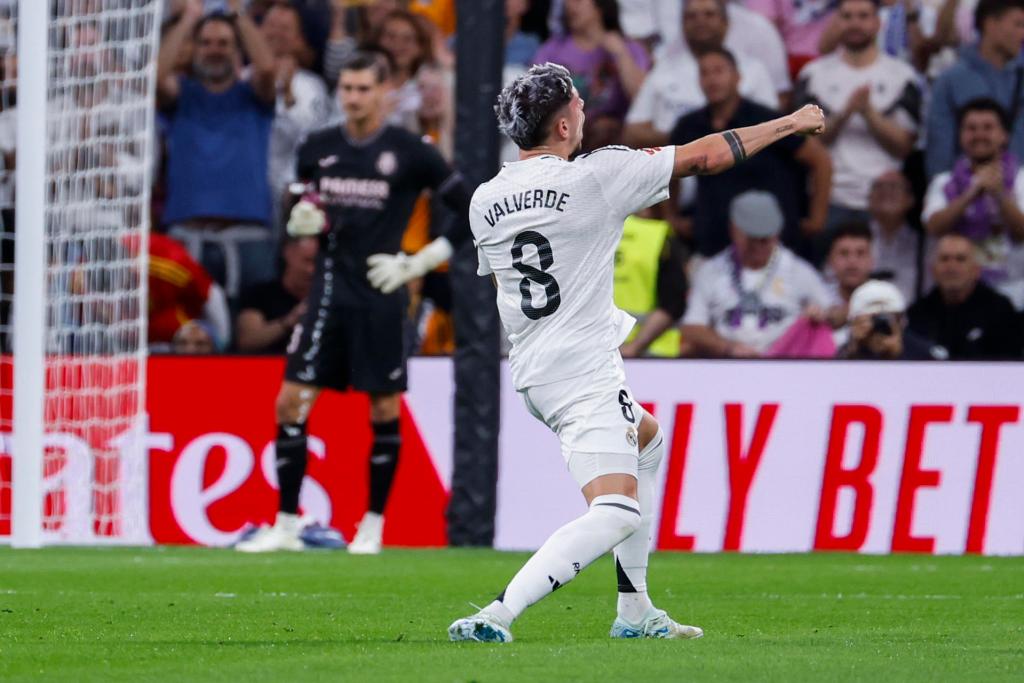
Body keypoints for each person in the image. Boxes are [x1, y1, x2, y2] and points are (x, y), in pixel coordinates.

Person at [448, 62, 825, 642]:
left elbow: (503, 286)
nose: (585, 110)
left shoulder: (485, 199)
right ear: (566, 127)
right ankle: (496, 613)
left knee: (648, 442)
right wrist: (790, 123)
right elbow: (703, 157)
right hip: (582, 372)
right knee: (616, 510)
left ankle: (635, 610)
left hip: (535, 368)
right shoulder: (599, 175)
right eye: (578, 103)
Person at [235, 52, 472, 555]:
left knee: (383, 407)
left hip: (384, 293)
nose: (354, 98)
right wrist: (299, 219)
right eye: (346, 89)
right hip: (327, 290)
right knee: (290, 403)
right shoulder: (317, 147)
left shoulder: (411, 152)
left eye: (364, 89)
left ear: (384, 92)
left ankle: (372, 524)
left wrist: (418, 263)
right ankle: (285, 522)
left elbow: (469, 210)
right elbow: (300, 204)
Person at [157, 0, 278, 302]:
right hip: (187, 234)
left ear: (238, 51)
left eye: (224, 43)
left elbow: (266, 68)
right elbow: (156, 77)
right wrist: (188, 19)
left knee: (247, 333)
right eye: (206, 43)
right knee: (187, 336)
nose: (214, 50)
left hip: (248, 236)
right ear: (194, 49)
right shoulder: (182, 95)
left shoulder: (255, 96)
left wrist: (237, 13)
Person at [669, 48, 832, 259]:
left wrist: (817, 217)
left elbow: (820, 161)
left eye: (718, 71)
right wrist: (671, 217)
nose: (711, 79)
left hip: (772, 244)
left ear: (738, 77)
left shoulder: (764, 120)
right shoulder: (688, 126)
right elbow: (668, 169)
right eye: (704, 73)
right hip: (712, 242)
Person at [794, 0, 921, 233]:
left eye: (863, 16)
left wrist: (869, 114)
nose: (855, 23)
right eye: (847, 16)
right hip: (830, 198)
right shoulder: (813, 75)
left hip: (884, 201)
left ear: (877, 23)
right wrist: (844, 115)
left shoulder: (902, 76)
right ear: (836, 22)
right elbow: (805, 143)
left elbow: (904, 145)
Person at [680, 191, 833, 358]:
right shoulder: (711, 271)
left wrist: (821, 314)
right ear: (733, 229)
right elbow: (691, 327)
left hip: (784, 365)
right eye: (752, 238)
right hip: (727, 364)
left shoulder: (798, 270)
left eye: (766, 238)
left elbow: (834, 312)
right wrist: (728, 347)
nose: (759, 244)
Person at [623, 0, 778, 147]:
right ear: (682, 25)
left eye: (709, 14)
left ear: (725, 23)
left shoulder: (752, 69)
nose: (700, 21)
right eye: (691, 16)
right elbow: (633, 131)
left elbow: (770, 128)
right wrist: (685, 142)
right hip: (676, 165)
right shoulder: (664, 69)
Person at [923, 98, 1024, 309]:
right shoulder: (944, 182)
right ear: (961, 136)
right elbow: (934, 227)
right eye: (971, 128)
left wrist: (999, 195)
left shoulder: (1021, 179)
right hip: (958, 292)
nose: (979, 135)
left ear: (1004, 135)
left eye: (988, 128)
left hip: (1014, 290)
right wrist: (972, 193)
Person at [531, 0, 650, 150]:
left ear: (600, 6)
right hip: (566, 137)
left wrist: (620, 54)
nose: (570, 6)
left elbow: (643, 101)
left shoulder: (629, 49)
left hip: (620, 142)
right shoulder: (551, 51)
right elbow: (536, 105)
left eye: (578, 1)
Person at [925, 0, 1024, 179]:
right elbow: (940, 147)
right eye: (1018, 24)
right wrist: (945, 191)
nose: (1022, 34)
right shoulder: (950, 80)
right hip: (962, 194)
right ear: (990, 24)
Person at [260, 1, 333, 235]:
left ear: (300, 38)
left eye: (284, 28)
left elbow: (309, 138)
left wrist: (288, 91)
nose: (275, 33)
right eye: (270, 25)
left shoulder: (311, 85)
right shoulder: (243, 77)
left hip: (289, 198)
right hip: (249, 195)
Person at [908, 234, 1023, 359]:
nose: (951, 267)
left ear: (976, 270)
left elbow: (1010, 361)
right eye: (944, 259)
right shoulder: (919, 312)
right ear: (933, 270)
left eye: (960, 259)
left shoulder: (999, 310)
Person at [615, 209, 689, 358]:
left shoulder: (586, 233)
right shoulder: (658, 235)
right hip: (651, 354)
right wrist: (633, 348)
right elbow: (673, 304)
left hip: (593, 352)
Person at [235, 235, 318, 354]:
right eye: (307, 261)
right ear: (288, 254)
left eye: (317, 263)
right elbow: (247, 341)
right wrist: (288, 322)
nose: (312, 270)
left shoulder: (331, 298)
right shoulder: (259, 294)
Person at [838, 279, 945, 359]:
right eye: (872, 318)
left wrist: (898, 355)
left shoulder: (923, 352)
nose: (878, 324)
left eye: (886, 317)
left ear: (901, 321)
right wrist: (855, 351)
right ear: (854, 322)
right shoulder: (846, 351)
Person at [867, 170, 926, 303]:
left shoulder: (923, 242)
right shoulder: (855, 238)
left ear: (910, 199)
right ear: (869, 198)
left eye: (893, 186)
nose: (886, 192)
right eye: (879, 186)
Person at [823, 221, 875, 346]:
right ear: (830, 260)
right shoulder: (818, 298)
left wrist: (848, 312)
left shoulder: (884, 298)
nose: (852, 261)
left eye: (860, 253)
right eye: (844, 253)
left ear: (872, 260)